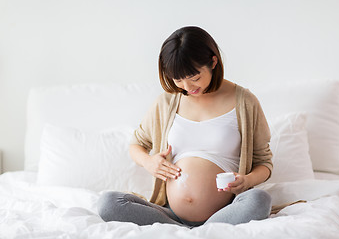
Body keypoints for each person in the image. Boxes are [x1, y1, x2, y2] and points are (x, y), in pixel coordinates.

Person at [97, 26, 273, 228]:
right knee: (108, 203)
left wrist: (247, 180)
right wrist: (149, 162)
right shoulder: (166, 103)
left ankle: (198, 229)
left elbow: (264, 162)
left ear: (213, 62)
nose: (188, 88)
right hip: (170, 214)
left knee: (259, 200)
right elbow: (137, 145)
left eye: (195, 78)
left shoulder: (245, 102)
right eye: (178, 80)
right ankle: (188, 230)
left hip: (226, 212)